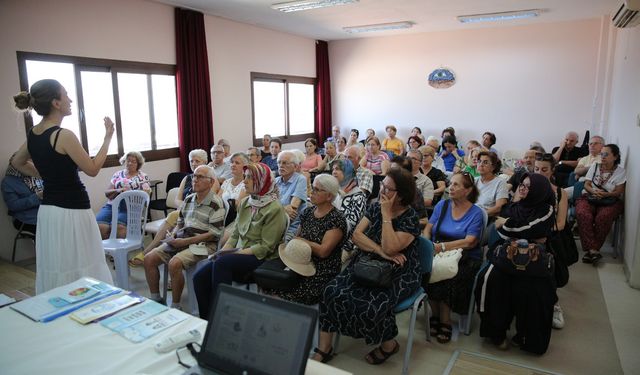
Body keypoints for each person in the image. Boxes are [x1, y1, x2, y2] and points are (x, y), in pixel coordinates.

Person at [11, 79, 114, 293]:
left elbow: (17, 162)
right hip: (73, 211)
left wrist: (46, 175)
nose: (70, 99)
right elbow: (93, 169)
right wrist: (107, 138)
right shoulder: (63, 135)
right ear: (56, 103)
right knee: (84, 264)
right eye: (66, 94)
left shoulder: (33, 134)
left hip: (49, 212)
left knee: (59, 266)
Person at [313, 168, 421, 365]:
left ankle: (389, 345)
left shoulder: (410, 217)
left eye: (388, 189)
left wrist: (387, 215)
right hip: (368, 261)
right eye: (382, 185)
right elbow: (356, 235)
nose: (382, 191)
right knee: (331, 291)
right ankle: (324, 347)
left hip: (399, 270)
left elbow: (392, 248)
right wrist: (379, 251)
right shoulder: (375, 206)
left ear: (402, 194)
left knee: (373, 304)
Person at [193, 162, 287, 319]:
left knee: (222, 263)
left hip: (261, 258)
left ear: (261, 181)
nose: (245, 181)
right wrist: (222, 252)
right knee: (199, 277)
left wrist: (234, 254)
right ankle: (207, 320)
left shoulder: (274, 208)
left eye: (250, 177)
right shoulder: (246, 202)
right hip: (240, 253)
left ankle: (222, 316)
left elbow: (265, 247)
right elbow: (235, 234)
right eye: (245, 177)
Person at [478, 173, 556, 354]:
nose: (522, 188)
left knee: (535, 288)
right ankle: (496, 333)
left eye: (528, 186)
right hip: (507, 254)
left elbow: (529, 228)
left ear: (538, 190)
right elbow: (508, 231)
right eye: (522, 185)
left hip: (534, 258)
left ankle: (527, 337)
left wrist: (507, 224)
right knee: (489, 280)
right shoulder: (515, 205)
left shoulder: (546, 209)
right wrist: (512, 227)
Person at [143, 165, 225, 309]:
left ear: (211, 182)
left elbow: (214, 234)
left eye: (200, 177)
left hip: (205, 245)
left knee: (174, 263)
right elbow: (180, 223)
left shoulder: (216, 203)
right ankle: (156, 299)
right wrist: (173, 234)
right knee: (149, 258)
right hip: (183, 239)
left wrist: (185, 241)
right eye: (194, 176)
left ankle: (175, 306)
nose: (195, 180)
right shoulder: (189, 199)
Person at [264, 175, 347, 305]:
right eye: (312, 188)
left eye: (317, 190)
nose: (311, 193)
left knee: (289, 295)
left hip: (322, 269)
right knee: (270, 284)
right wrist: (298, 243)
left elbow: (323, 252)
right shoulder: (308, 212)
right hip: (300, 261)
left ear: (329, 196)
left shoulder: (336, 219)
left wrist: (304, 242)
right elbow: (297, 238)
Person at [423, 172, 484, 344]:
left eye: (457, 185)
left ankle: (445, 321)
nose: (451, 187)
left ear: (468, 190)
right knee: (425, 271)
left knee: (449, 277)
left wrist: (442, 247)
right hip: (438, 251)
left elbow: (470, 242)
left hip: (466, 256)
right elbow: (428, 228)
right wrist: (427, 244)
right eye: (451, 183)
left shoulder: (476, 213)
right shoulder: (442, 205)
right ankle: (434, 314)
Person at [130, 149, 211, 267]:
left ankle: (150, 252)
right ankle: (154, 253)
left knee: (173, 217)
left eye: (197, 161)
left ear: (205, 161)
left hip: (199, 213)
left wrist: (189, 208)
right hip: (184, 211)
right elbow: (177, 199)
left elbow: (208, 200)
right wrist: (185, 206)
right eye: (191, 161)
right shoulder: (187, 178)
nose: (193, 163)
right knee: (174, 220)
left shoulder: (209, 179)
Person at [534, 152, 569, 329]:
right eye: (537, 169)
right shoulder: (525, 188)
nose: (540, 173)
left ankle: (553, 302)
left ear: (552, 171)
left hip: (549, 236)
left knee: (546, 260)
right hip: (527, 234)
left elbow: (561, 224)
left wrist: (541, 233)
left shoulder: (560, 194)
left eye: (544, 170)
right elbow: (516, 212)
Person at [575, 144, 626, 263]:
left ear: (615, 156)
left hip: (610, 200)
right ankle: (594, 251)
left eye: (606, 154)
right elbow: (587, 184)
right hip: (590, 197)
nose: (602, 156)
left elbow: (618, 192)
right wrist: (593, 191)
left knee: (603, 217)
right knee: (583, 213)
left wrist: (605, 194)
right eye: (601, 154)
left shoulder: (620, 172)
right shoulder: (595, 166)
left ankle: (591, 250)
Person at [95, 151, 151, 239]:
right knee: (100, 227)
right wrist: (119, 190)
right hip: (112, 205)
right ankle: (108, 250)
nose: (130, 163)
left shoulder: (143, 177)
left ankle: (121, 250)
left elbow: (145, 198)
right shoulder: (117, 174)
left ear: (138, 164)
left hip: (129, 207)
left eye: (133, 161)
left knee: (118, 227)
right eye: (128, 160)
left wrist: (131, 192)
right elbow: (107, 193)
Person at [331, 159, 367, 257]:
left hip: (347, 243)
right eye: (333, 169)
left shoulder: (359, 196)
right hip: (329, 237)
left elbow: (351, 225)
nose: (334, 172)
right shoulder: (334, 192)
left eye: (338, 169)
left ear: (347, 172)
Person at [2, 154, 44, 233]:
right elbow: (13, 206)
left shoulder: (34, 175)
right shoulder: (7, 182)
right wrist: (37, 197)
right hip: (25, 218)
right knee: (52, 228)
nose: (33, 167)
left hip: (44, 213)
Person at [276, 151, 307, 241]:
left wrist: (275, 209)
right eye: (279, 162)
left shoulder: (300, 179)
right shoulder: (276, 181)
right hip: (273, 224)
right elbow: (267, 205)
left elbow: (292, 209)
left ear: (295, 166)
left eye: (285, 163)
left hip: (290, 227)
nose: (281, 165)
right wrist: (283, 209)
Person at [475, 151, 508, 218]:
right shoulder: (474, 180)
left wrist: (479, 216)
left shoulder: (500, 182)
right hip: (470, 215)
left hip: (486, 218)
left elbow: (499, 207)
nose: (481, 164)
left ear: (493, 167)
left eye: (485, 162)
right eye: (479, 161)